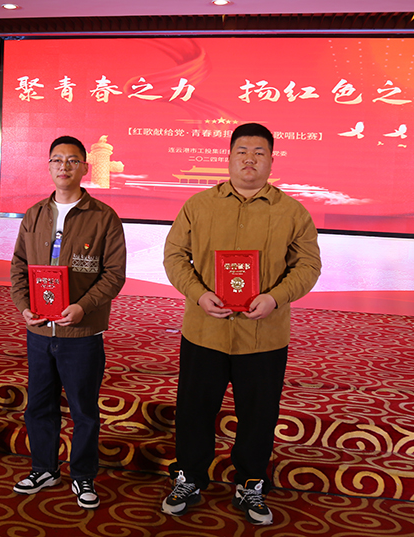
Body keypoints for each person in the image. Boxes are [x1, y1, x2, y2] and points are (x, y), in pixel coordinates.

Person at [161, 123, 321, 525]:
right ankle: (189, 477)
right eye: (242, 152)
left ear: (272, 160)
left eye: (259, 153)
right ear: (229, 157)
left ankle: (250, 482)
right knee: (194, 409)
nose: (250, 159)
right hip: (205, 330)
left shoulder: (293, 212)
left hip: (264, 336)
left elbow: (308, 266)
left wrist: (275, 297)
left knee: (259, 414)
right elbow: (175, 256)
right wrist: (198, 294)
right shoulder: (198, 205)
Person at [9, 135, 127, 510]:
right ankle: (44, 468)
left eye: (72, 160)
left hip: (82, 332)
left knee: (83, 409)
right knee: (39, 405)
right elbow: (18, 267)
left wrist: (83, 307)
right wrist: (23, 306)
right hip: (39, 330)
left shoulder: (103, 217)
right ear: (49, 166)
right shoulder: (34, 214)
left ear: (84, 167)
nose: (64, 167)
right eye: (57, 160)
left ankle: (83, 475)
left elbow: (114, 275)